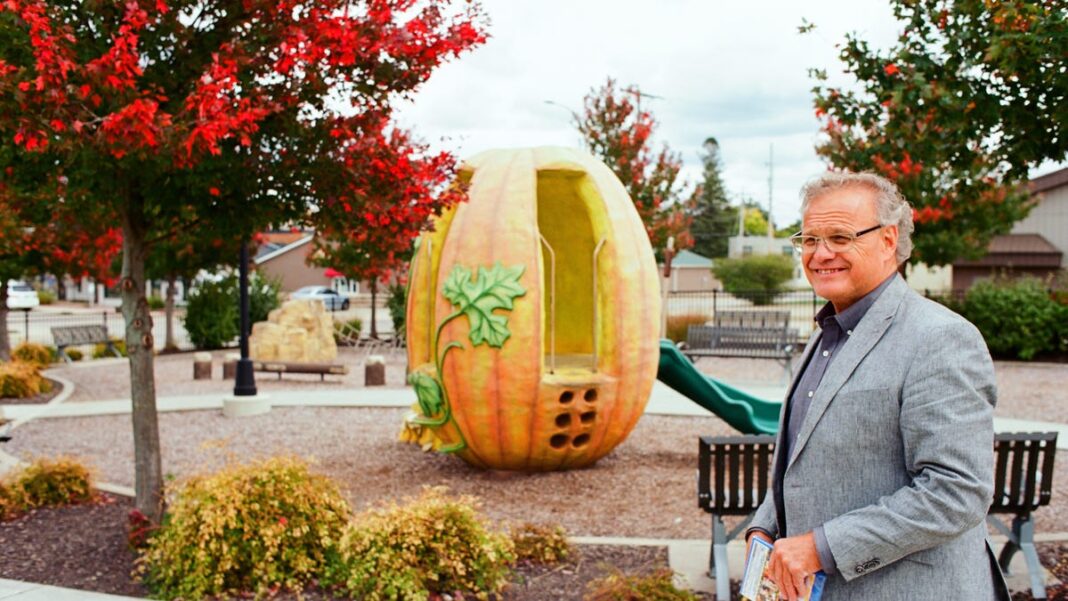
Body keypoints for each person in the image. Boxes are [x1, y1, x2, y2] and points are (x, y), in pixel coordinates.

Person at [745, 172, 1008, 600]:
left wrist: (819, 548)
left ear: (888, 240)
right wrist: (765, 526)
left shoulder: (939, 337)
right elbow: (806, 462)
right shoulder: (826, 333)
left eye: (840, 237)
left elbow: (956, 491)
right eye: (809, 240)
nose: (819, 253)